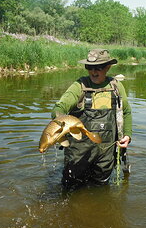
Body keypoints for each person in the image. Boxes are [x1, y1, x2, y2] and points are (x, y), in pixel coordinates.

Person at [51, 48, 132, 189]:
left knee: (101, 190)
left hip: (106, 152)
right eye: (90, 67)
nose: (94, 72)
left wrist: (127, 135)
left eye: (98, 68)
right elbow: (59, 107)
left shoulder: (116, 87)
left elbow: (126, 111)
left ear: (108, 67)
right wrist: (58, 121)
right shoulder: (79, 86)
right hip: (79, 153)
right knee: (71, 187)